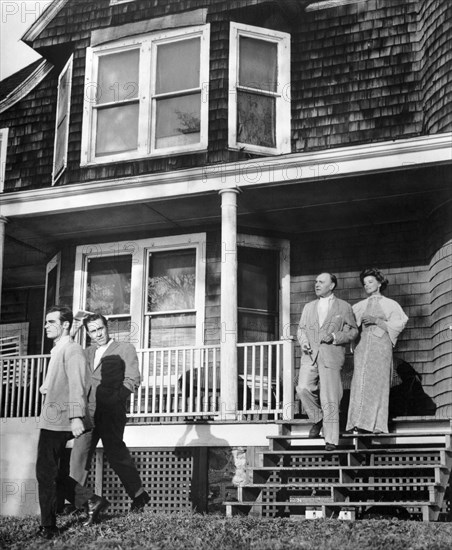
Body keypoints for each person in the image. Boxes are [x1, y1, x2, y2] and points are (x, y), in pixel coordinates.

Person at [36, 306, 109, 539]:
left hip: (60, 419)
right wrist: (47, 385)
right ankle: (91, 501)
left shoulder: (73, 349)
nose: (46, 326)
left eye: (51, 321)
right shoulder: (59, 349)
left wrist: (76, 416)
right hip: (51, 417)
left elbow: (79, 384)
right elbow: (61, 380)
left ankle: (48, 527)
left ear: (65, 324)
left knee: (45, 473)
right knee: (52, 472)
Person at [70, 313, 150, 511]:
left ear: (107, 327)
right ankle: (73, 501)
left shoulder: (124, 349)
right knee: (78, 455)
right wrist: (72, 330)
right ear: (88, 333)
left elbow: (133, 380)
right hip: (88, 413)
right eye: (93, 331)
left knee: (116, 455)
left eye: (101, 329)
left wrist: (115, 400)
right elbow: (67, 354)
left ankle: (139, 495)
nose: (98, 334)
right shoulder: (86, 352)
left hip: (111, 412)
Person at [296, 273, 358, 451]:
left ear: (331, 286)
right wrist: (304, 342)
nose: (316, 284)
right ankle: (317, 418)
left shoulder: (344, 307)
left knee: (330, 396)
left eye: (321, 282)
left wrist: (334, 336)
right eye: (315, 281)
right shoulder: (308, 307)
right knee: (303, 388)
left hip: (331, 355)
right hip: (310, 355)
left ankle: (331, 439)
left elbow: (353, 332)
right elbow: (301, 330)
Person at [346, 268, 408, 434]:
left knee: (378, 383)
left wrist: (378, 321)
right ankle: (358, 422)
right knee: (360, 382)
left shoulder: (390, 304)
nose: (367, 285)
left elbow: (400, 323)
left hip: (381, 345)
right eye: (365, 283)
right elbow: (349, 325)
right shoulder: (359, 306)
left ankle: (378, 425)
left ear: (379, 283)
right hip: (363, 346)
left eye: (371, 282)